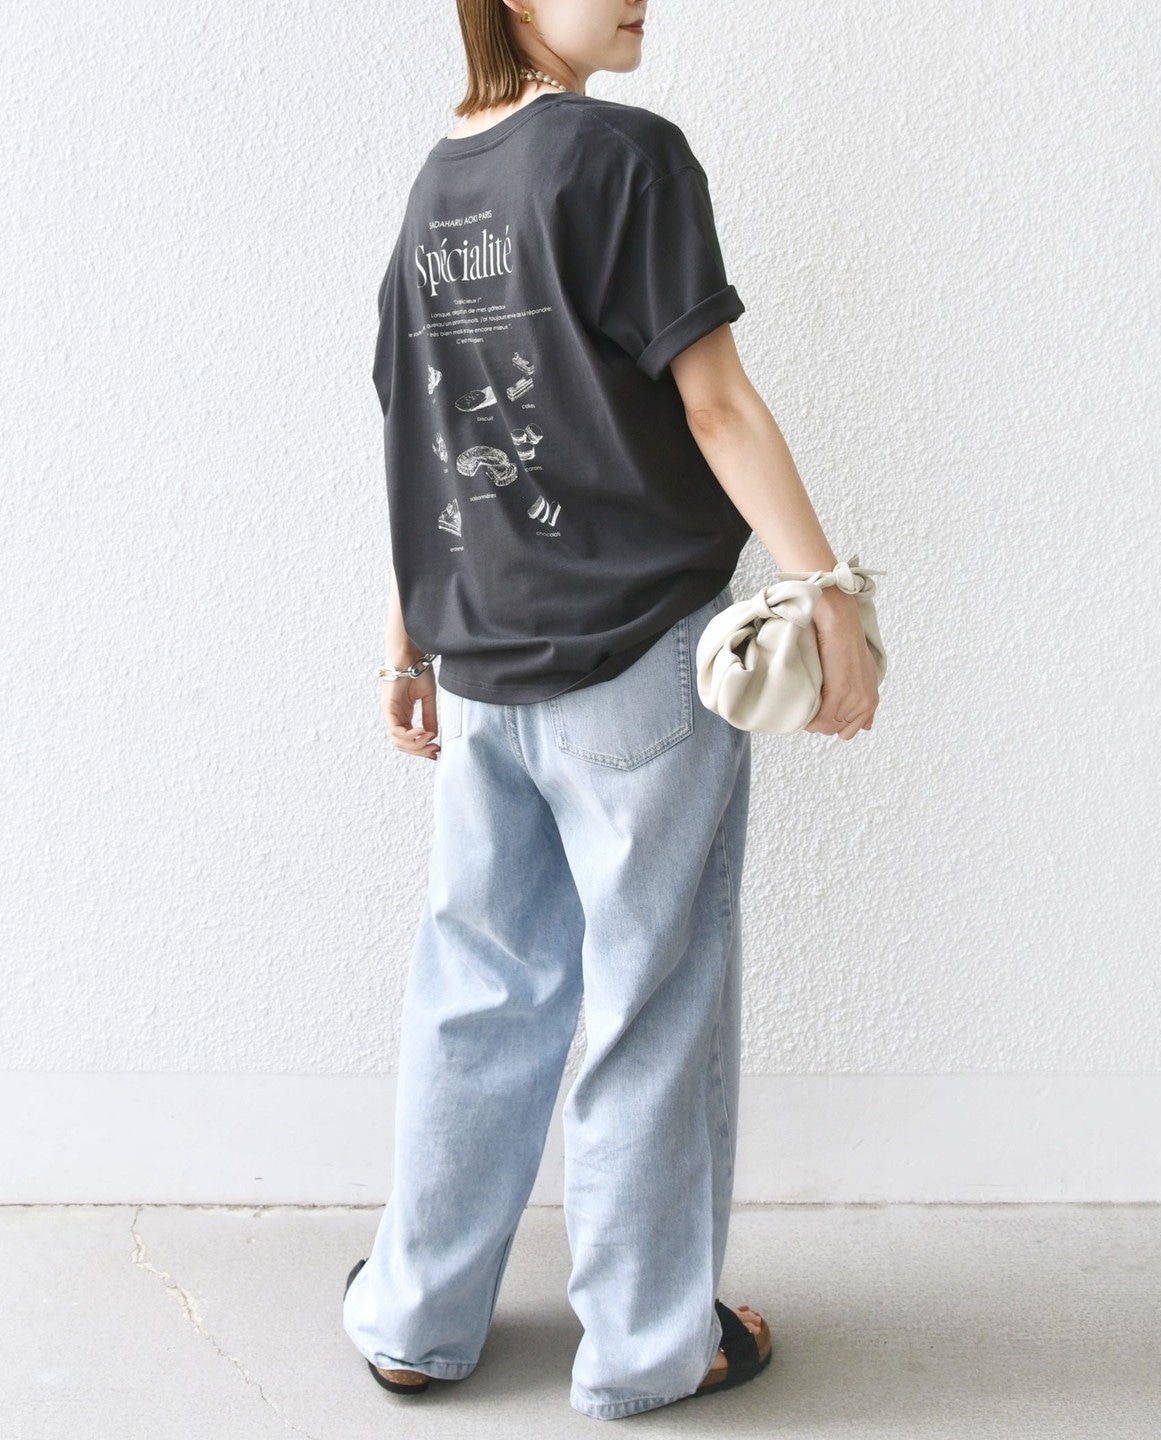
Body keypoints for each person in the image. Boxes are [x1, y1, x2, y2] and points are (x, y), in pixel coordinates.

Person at [342, 0, 881, 1421]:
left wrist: (406, 640)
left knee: (477, 992)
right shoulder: (625, 157)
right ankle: (652, 1345)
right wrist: (826, 590)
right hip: (637, 661)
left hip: (481, 666)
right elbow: (715, 405)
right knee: (652, 1001)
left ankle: (415, 1316)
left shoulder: (438, 185)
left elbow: (425, 430)